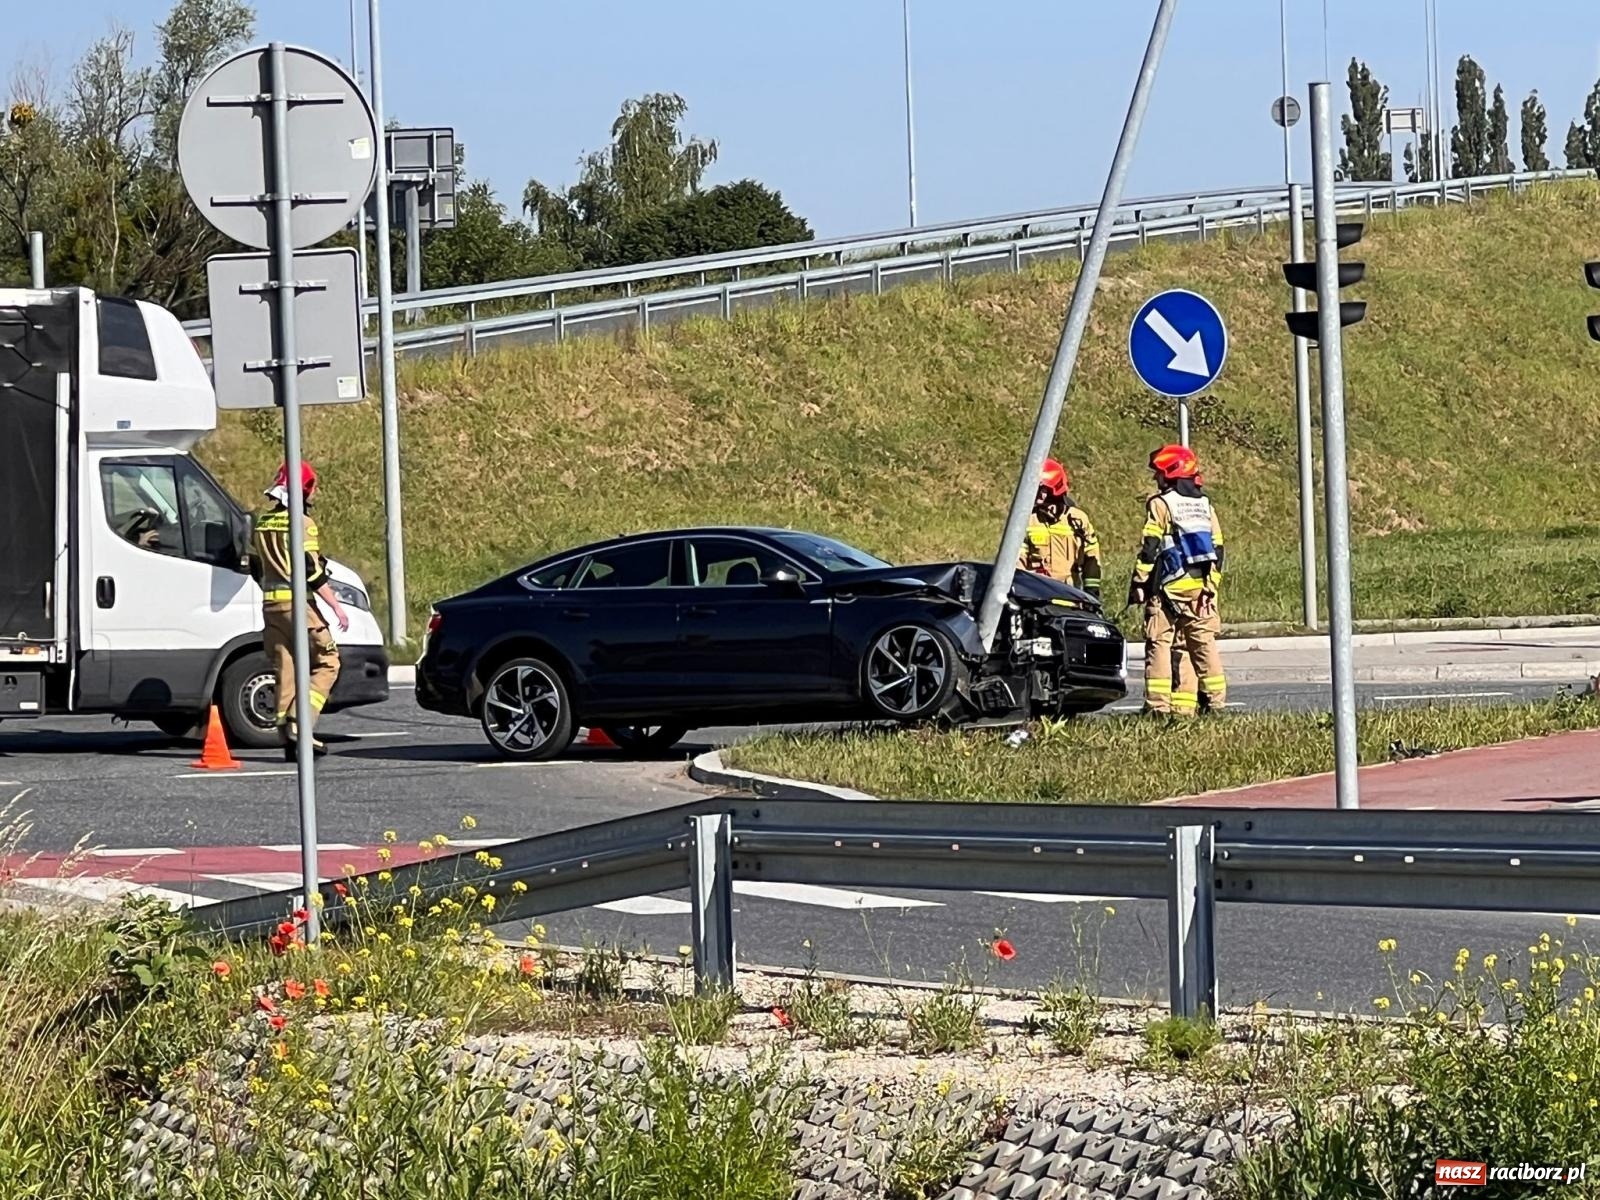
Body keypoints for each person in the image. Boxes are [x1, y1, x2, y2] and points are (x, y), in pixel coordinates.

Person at [250, 461, 348, 758]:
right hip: (298, 606)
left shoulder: (263, 523)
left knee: (286, 667)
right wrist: (335, 606)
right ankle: (300, 722)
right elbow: (310, 570)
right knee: (328, 662)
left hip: (271, 607)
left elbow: (256, 566)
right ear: (304, 489)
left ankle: (287, 736)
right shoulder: (302, 523)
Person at [1128, 444, 1226, 716]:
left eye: (1158, 473)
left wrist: (1139, 582)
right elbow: (1218, 550)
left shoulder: (1161, 504)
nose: (1155, 478)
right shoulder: (1205, 505)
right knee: (1201, 644)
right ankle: (1208, 704)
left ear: (1170, 473)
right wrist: (1210, 587)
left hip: (1168, 589)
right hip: (1200, 590)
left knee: (1159, 643)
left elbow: (1150, 546)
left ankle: (1158, 707)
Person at [1018, 457, 1102, 601]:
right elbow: (1018, 561)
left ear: (1054, 489)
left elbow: (1092, 557)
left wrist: (1091, 593)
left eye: (1041, 488)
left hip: (1069, 596)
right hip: (1036, 597)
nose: (1037, 492)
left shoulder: (1078, 520)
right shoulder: (1029, 519)